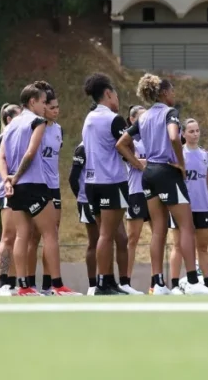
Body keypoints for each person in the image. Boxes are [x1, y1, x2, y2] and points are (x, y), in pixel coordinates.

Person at [120, 73, 208, 295]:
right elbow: (174, 137)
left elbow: (121, 143)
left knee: (158, 231)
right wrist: (181, 164)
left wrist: (139, 164)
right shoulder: (169, 113)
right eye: (172, 91)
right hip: (167, 171)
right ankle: (193, 283)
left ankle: (158, 284)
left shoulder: (142, 117)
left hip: (149, 174)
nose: (174, 95)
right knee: (186, 226)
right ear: (163, 93)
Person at [2, 83, 78, 296]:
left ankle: (23, 286)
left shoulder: (10, 125)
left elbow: (2, 156)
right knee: (50, 233)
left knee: (21, 236)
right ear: (33, 101)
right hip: (34, 183)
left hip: (16, 188)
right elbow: (30, 153)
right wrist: (16, 176)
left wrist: (8, 181)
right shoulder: (38, 122)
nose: (46, 107)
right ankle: (56, 284)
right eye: (44, 102)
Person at [82, 73, 140, 296]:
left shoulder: (89, 118)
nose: (117, 98)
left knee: (116, 236)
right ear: (108, 93)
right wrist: (137, 163)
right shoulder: (112, 119)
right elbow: (126, 146)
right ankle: (103, 283)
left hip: (92, 183)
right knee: (106, 235)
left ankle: (110, 282)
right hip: (110, 182)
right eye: (115, 93)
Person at [68, 132, 139, 295]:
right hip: (88, 199)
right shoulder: (82, 148)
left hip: (109, 195)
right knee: (95, 241)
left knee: (121, 238)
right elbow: (73, 178)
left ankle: (121, 282)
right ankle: (94, 284)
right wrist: (82, 198)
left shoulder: (105, 147)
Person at [168, 118, 208, 293]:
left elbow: (207, 181)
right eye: (191, 131)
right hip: (182, 207)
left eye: (197, 130)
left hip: (203, 207)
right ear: (183, 133)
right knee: (178, 246)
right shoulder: (177, 154)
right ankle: (174, 285)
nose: (195, 134)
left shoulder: (206, 155)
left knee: (202, 248)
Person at [34, 81, 67, 295]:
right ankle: (25, 284)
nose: (55, 111)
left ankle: (48, 285)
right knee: (32, 237)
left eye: (57, 107)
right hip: (38, 185)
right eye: (51, 107)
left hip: (54, 187)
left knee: (52, 235)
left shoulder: (58, 130)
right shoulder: (35, 127)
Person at [0, 102, 22, 296]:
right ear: (9, 119)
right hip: (8, 191)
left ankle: (13, 282)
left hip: (19, 190)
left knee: (17, 237)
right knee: (8, 236)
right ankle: (4, 283)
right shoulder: (5, 136)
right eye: (19, 116)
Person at [124, 105, 150, 290]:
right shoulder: (129, 141)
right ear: (132, 120)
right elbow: (133, 161)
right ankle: (126, 282)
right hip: (136, 192)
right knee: (132, 239)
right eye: (141, 118)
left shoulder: (153, 139)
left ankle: (156, 284)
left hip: (154, 192)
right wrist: (146, 163)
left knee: (160, 235)